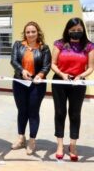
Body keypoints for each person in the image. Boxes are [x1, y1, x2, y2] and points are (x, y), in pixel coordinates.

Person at [51, 17, 94, 161]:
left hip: (78, 83)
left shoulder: (89, 46)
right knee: (60, 112)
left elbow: (91, 67)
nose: (76, 32)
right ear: (68, 30)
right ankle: (60, 145)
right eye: (73, 30)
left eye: (79, 30)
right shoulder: (60, 44)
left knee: (75, 114)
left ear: (83, 31)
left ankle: (73, 145)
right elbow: (53, 64)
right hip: (60, 81)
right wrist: (62, 75)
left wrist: (80, 76)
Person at [10, 21, 51, 155]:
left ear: (38, 32)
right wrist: (22, 71)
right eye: (28, 32)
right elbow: (14, 61)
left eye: (33, 31)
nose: (30, 34)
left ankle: (32, 140)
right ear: (25, 33)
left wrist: (40, 75)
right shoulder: (18, 45)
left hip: (37, 85)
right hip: (20, 83)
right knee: (22, 110)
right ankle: (21, 138)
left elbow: (46, 66)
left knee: (33, 111)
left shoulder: (44, 48)